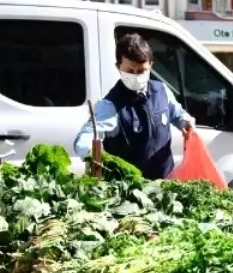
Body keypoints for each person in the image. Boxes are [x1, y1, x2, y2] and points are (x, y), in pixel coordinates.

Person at [73, 32, 194, 178]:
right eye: (130, 71)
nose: (136, 76)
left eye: (141, 71)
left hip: (165, 183)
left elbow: (176, 114)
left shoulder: (161, 90)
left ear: (151, 65)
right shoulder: (110, 105)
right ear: (118, 67)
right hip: (132, 192)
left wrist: (185, 122)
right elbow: (85, 137)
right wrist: (92, 154)